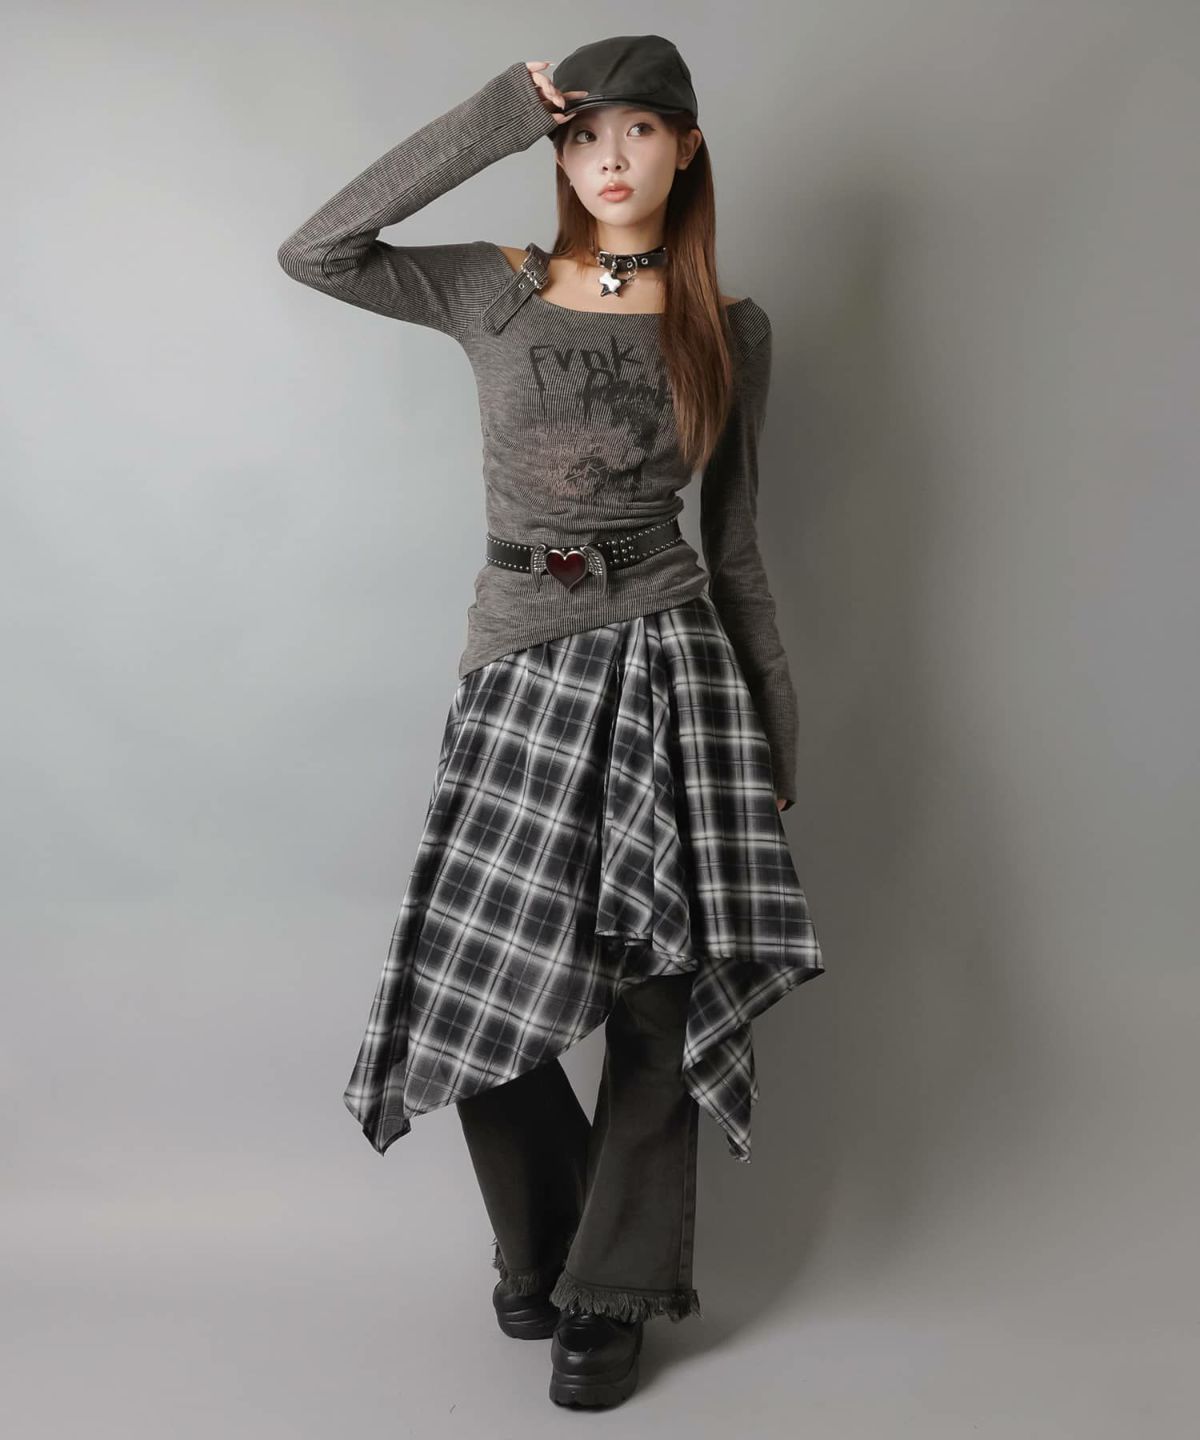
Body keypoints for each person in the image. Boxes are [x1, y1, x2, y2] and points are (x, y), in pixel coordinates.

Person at [277, 33, 825, 1410]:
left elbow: (737, 550)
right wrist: (498, 115)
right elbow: (318, 249)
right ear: (558, 152)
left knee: (655, 992)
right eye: (583, 135)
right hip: (522, 662)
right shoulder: (496, 288)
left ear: (686, 148)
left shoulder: (731, 328)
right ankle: (543, 1248)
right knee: (477, 975)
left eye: (639, 130)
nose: (610, 157)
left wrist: (774, 733)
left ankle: (611, 1294)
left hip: (676, 670)